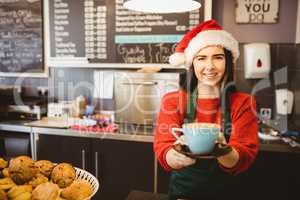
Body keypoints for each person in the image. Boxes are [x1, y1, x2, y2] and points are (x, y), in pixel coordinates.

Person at [153, 19, 259, 200]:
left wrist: (223, 150)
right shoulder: (172, 101)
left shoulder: (244, 103)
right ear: (192, 64)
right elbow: (163, 147)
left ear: (228, 62)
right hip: (184, 193)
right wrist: (175, 156)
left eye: (218, 57)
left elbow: (245, 156)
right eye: (201, 58)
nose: (209, 66)